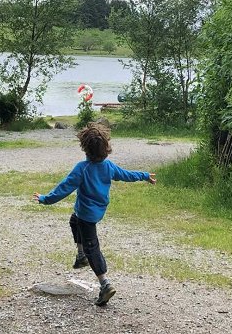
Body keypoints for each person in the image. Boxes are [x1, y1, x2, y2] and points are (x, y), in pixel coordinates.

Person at [32, 123, 156, 306]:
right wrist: (144, 175)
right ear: (106, 147)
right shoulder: (108, 166)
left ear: (85, 147)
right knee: (73, 221)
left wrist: (45, 199)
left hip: (87, 215)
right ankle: (80, 255)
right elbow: (126, 175)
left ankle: (105, 283)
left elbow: (64, 187)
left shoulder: (82, 168)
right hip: (96, 212)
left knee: (93, 247)